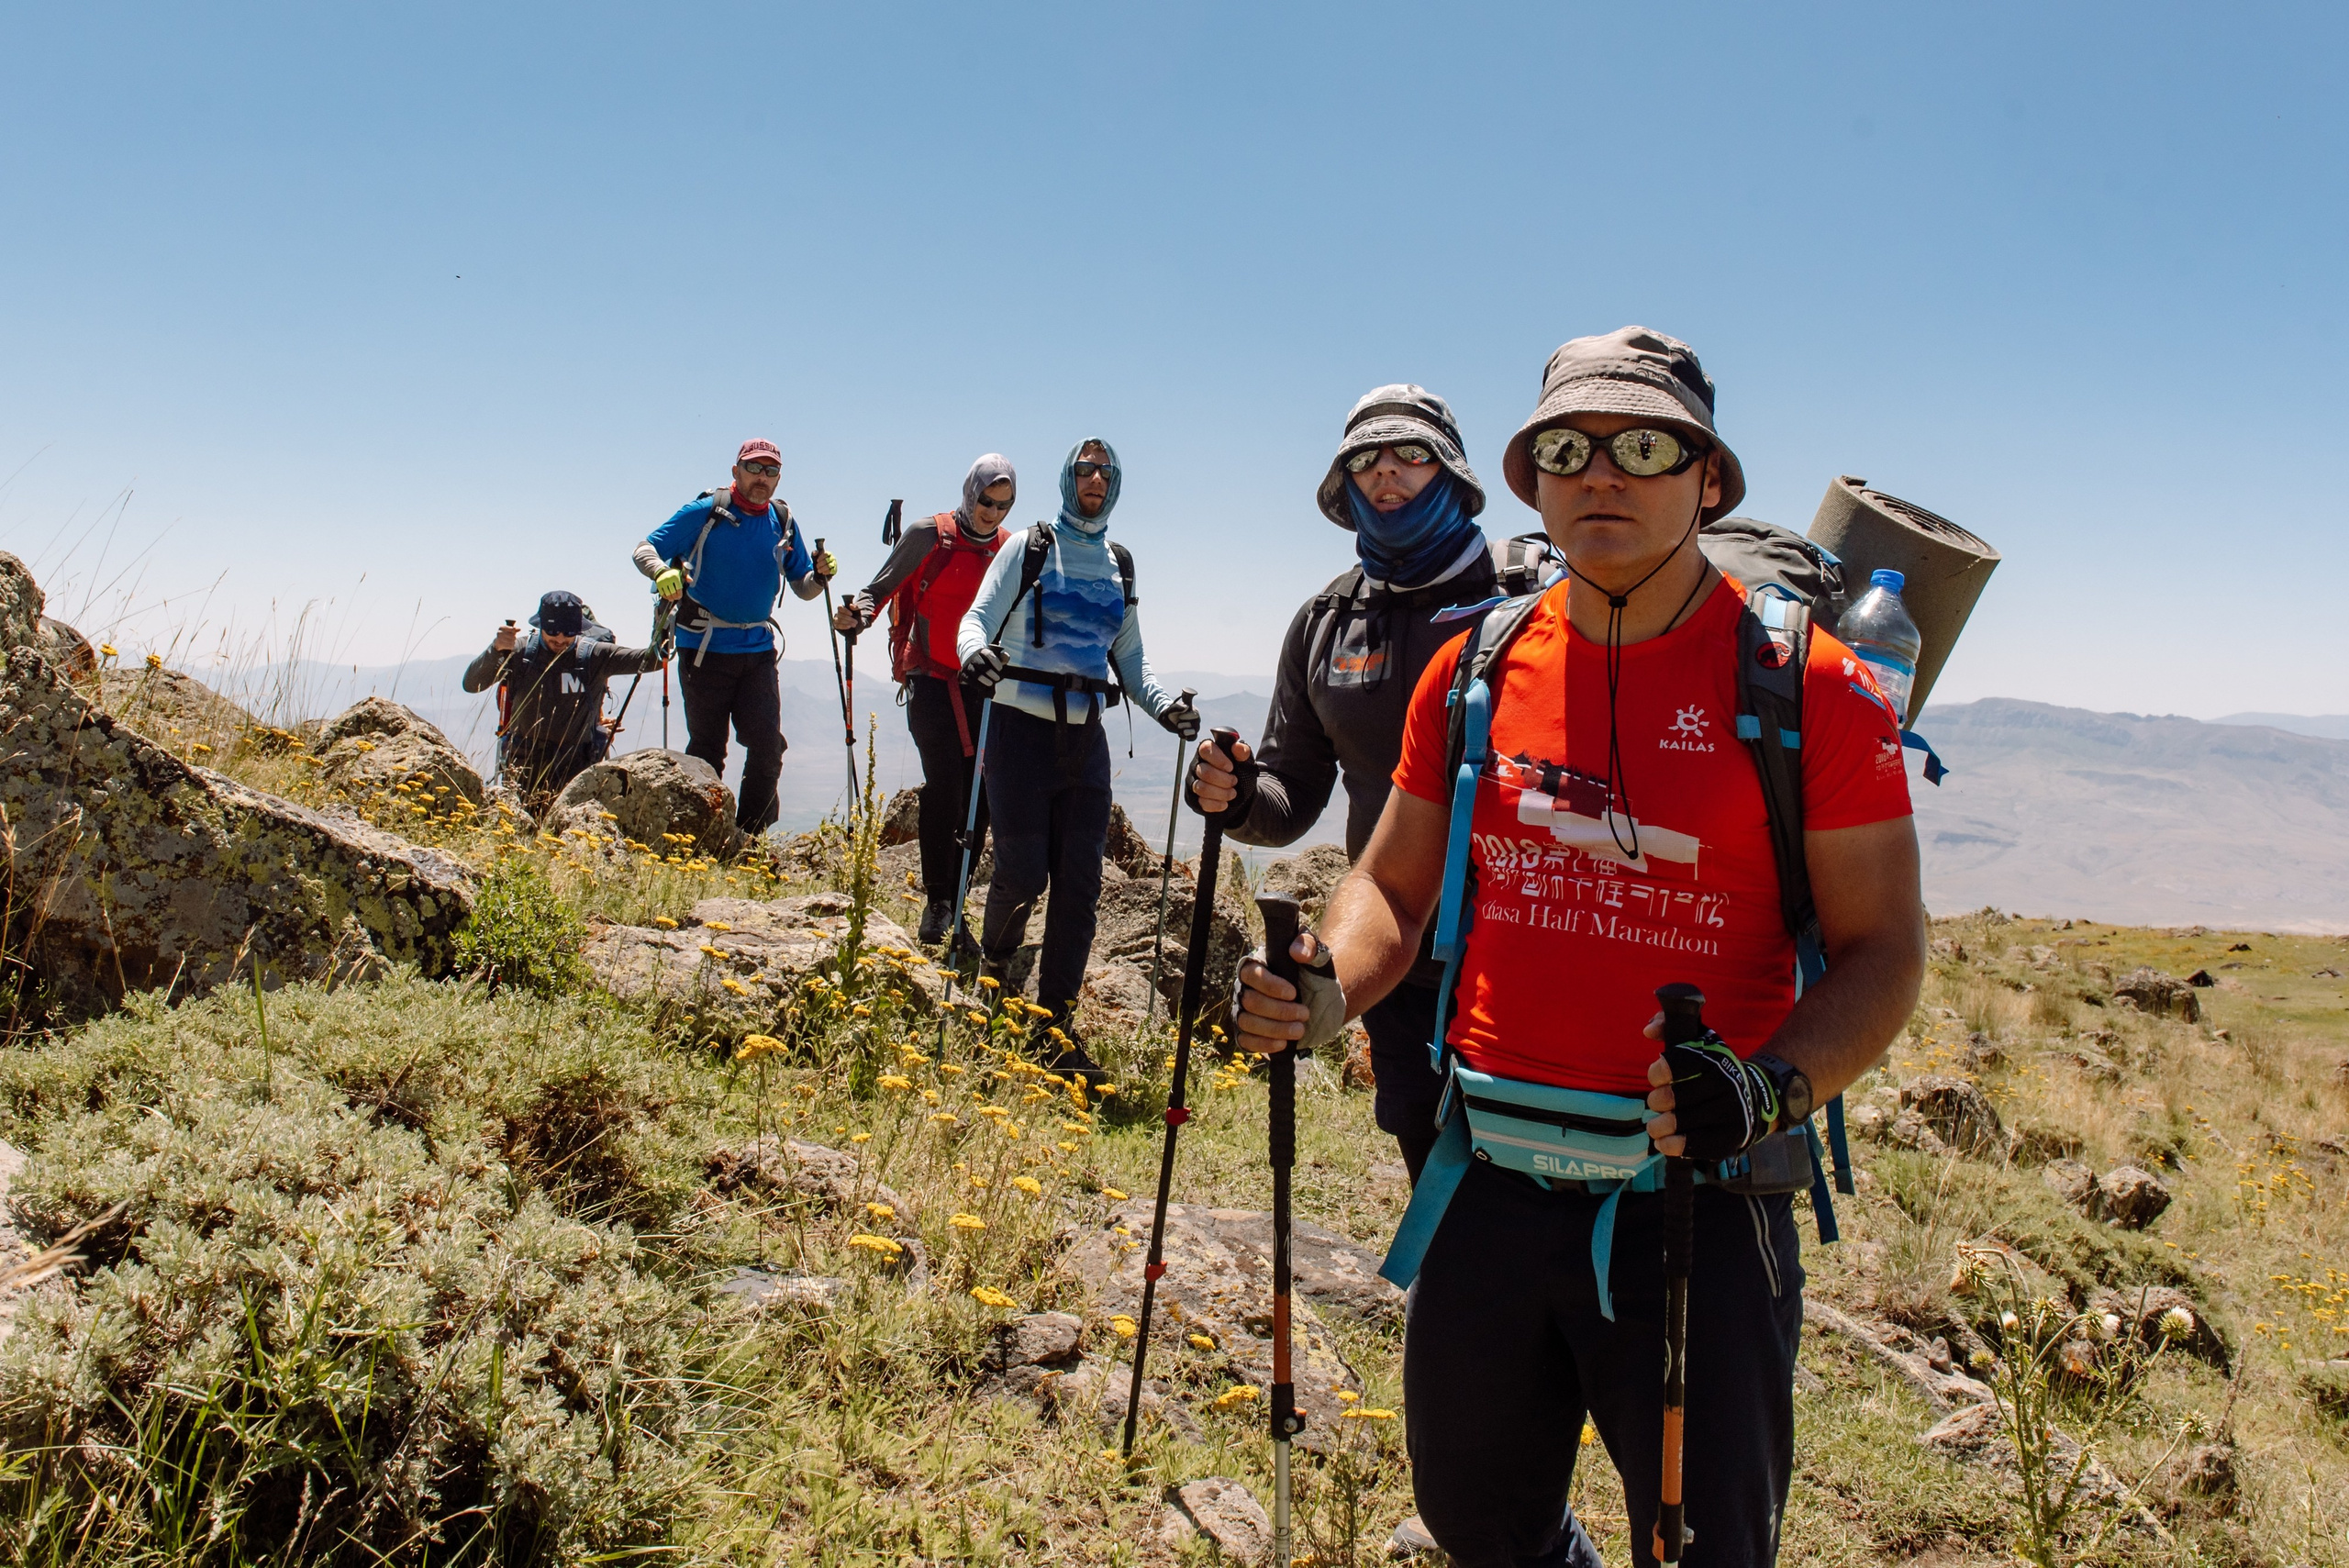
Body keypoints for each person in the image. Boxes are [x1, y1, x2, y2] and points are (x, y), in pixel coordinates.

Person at [1230, 328, 1925, 1567]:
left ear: (1708, 478)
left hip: (1702, 1193)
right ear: (1533, 479)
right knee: (1474, 1517)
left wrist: (1768, 1088)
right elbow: (1391, 884)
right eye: (1569, 447)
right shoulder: (1477, 666)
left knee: (1705, 1543)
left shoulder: (1811, 689)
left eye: (1644, 446)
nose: (1602, 473)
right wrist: (1328, 982)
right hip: (1489, 1174)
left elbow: (1883, 950)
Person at [1186, 384, 1556, 1184]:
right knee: (1436, 1190)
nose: (1387, 472)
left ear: (1452, 474)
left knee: (1541, 1198)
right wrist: (1239, 793)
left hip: (1532, 960)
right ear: (1345, 486)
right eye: (1366, 459)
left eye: (1411, 454)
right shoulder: (1326, 621)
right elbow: (1292, 796)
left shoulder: (1537, 598)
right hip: (1393, 961)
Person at [956, 439, 1198, 1084]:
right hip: (1018, 732)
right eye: (1085, 468)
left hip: (1084, 740)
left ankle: (1052, 1023)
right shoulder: (1029, 547)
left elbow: (1132, 658)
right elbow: (976, 618)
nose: (1096, 477)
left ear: (1115, 483)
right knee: (1022, 872)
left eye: (1107, 470)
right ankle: (996, 984)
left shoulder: (1119, 563)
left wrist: (1168, 706)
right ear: (1067, 478)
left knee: (1080, 888)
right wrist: (972, 655)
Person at [834, 454, 1016, 945]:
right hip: (929, 677)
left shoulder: (1006, 549)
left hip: (981, 684)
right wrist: (856, 615)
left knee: (980, 802)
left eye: (1004, 504)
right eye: (986, 500)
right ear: (969, 492)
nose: (992, 512)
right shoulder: (927, 535)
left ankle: (956, 907)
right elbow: (879, 590)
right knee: (948, 786)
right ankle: (938, 905)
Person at [633, 439, 836, 836]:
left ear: (779, 478)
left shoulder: (783, 519)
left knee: (768, 747)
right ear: (736, 471)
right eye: (754, 468)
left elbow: (804, 587)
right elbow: (645, 548)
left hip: (757, 650)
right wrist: (661, 572)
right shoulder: (706, 511)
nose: (762, 477)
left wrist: (821, 576)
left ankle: (749, 840)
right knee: (708, 750)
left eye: (771, 470)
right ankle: (698, 837)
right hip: (703, 648)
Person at [463, 589, 664, 812]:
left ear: (579, 630)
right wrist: (496, 649)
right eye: (552, 630)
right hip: (525, 765)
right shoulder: (519, 652)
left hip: (577, 764)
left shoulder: (594, 656)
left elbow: (652, 660)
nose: (560, 639)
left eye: (568, 632)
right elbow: (472, 684)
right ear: (540, 626)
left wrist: (664, 617)